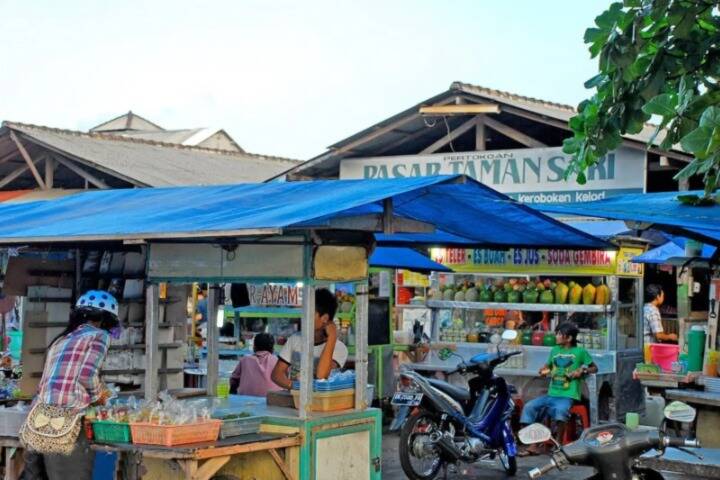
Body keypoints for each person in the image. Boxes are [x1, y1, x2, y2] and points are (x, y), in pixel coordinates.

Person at [21, 290, 119, 480]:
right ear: (106, 320)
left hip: (39, 420)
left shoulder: (61, 339)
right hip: (68, 420)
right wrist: (100, 397)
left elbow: (44, 384)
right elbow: (87, 376)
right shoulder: (100, 336)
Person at [519, 322, 597, 455]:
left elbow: (594, 368)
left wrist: (582, 371)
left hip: (568, 395)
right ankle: (533, 444)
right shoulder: (554, 350)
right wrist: (543, 370)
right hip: (551, 394)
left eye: (560, 334)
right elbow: (547, 367)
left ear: (569, 338)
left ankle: (558, 443)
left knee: (560, 411)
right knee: (530, 407)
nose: (557, 336)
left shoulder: (580, 352)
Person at [271, 288, 348, 389]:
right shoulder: (295, 339)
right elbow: (276, 374)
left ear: (324, 318)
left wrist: (332, 337)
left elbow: (321, 376)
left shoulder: (339, 348)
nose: (303, 317)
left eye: (309, 313)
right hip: (297, 401)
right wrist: (295, 386)